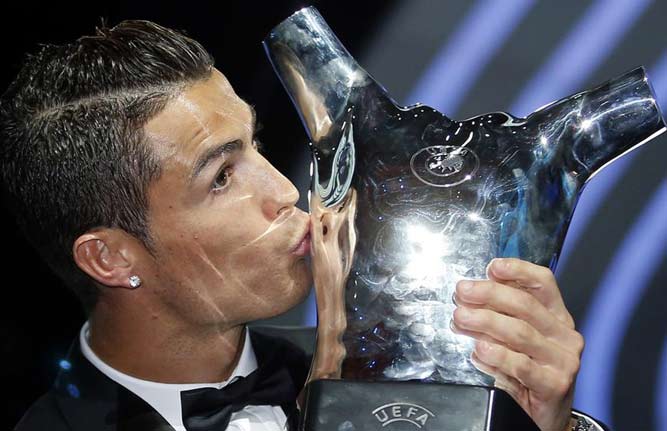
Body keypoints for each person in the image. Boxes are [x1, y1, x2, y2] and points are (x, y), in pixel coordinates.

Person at [0, 20, 606, 431]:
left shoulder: (394, 375)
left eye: (255, 144)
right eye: (221, 177)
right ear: (110, 258)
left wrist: (546, 424)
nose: (285, 191)